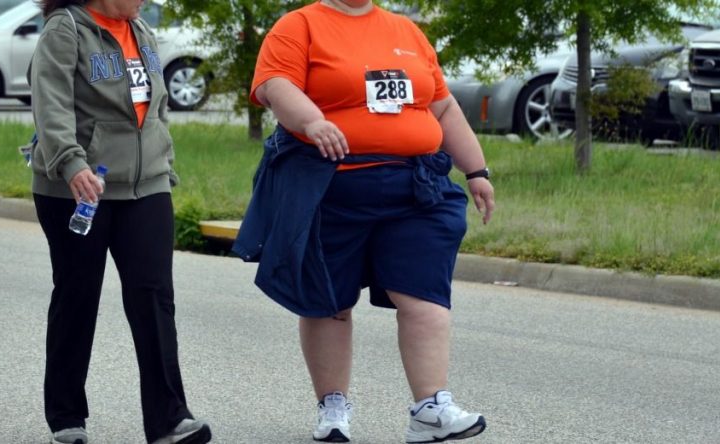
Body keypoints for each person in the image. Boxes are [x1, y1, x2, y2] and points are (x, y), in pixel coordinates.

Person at [235, 0, 496, 442]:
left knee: (424, 294)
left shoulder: (405, 31)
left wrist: (476, 170)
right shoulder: (299, 26)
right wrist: (312, 122)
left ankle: (430, 409)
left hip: (414, 188)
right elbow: (275, 86)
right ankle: (333, 407)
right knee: (329, 301)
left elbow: (443, 107)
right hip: (332, 187)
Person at [29, 1, 211, 443]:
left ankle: (169, 420)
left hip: (146, 186)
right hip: (79, 188)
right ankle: (67, 417)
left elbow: (156, 106)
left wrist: (163, 162)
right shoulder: (66, 29)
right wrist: (71, 164)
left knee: (154, 297)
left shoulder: (141, 30)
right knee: (78, 295)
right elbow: (51, 105)